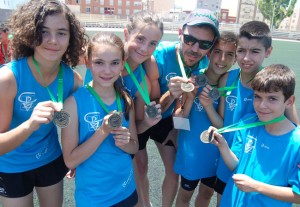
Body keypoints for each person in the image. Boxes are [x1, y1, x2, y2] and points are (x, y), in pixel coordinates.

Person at [0, 0, 86, 206]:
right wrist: (30, 125)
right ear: (30, 34)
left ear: (70, 39)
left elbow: (75, 124)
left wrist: (73, 154)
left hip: (50, 159)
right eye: (44, 31)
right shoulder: (8, 79)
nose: (53, 40)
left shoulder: (73, 80)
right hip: (11, 166)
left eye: (62, 33)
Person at [140, 8, 220, 207]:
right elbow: (148, 109)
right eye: (190, 39)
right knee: (140, 168)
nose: (194, 49)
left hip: (169, 120)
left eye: (204, 44)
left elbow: (186, 107)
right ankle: (144, 204)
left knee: (173, 171)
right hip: (144, 114)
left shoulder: (206, 66)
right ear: (179, 33)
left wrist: (178, 130)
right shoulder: (158, 57)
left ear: (211, 46)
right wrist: (171, 93)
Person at [214, 21, 300, 203]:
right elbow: (223, 120)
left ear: (267, 52)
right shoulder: (228, 80)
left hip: (266, 167)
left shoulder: (273, 84)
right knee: (225, 196)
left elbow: (294, 131)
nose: (246, 58)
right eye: (241, 50)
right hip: (233, 156)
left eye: (254, 51)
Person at [61, 32, 139, 207]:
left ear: (122, 65)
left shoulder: (125, 100)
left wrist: (126, 142)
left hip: (126, 190)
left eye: (114, 63)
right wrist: (103, 132)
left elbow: (134, 147)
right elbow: (70, 160)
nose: (107, 70)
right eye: (99, 62)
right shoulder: (73, 104)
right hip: (93, 198)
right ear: (87, 63)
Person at [173, 31, 237, 207]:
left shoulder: (229, 85)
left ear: (235, 59)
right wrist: (190, 97)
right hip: (191, 152)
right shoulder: (193, 78)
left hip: (215, 154)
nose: (222, 59)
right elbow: (179, 122)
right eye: (217, 51)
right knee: (185, 195)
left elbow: (221, 125)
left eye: (229, 54)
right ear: (209, 53)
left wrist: (208, 105)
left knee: (207, 193)